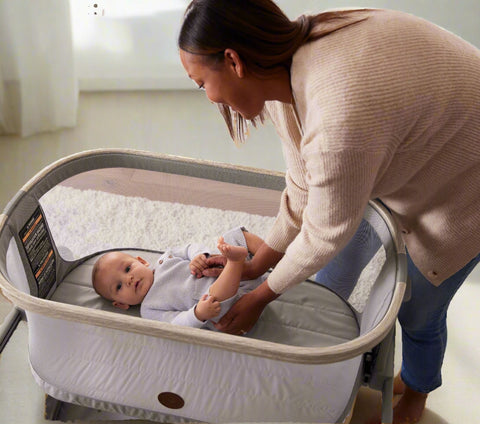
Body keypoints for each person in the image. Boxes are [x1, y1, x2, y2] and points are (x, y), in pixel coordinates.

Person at [177, 1, 480, 423]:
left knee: (418, 311)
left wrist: (263, 296)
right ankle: (336, 366)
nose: (208, 97)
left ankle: (417, 392)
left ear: (233, 61)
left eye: (201, 83)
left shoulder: (338, 114)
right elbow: (303, 193)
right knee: (329, 279)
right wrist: (256, 265)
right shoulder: (288, 69)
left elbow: (324, 232)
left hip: (467, 189)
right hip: (400, 156)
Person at [92, 227, 266, 330]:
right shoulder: (149, 309)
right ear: (121, 304)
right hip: (234, 304)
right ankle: (236, 262)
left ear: (142, 261)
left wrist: (199, 256)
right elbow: (175, 324)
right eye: (119, 287)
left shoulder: (165, 259)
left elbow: (189, 248)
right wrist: (198, 314)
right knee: (213, 298)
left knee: (234, 235)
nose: (128, 279)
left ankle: (273, 256)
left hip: (243, 273)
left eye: (128, 269)